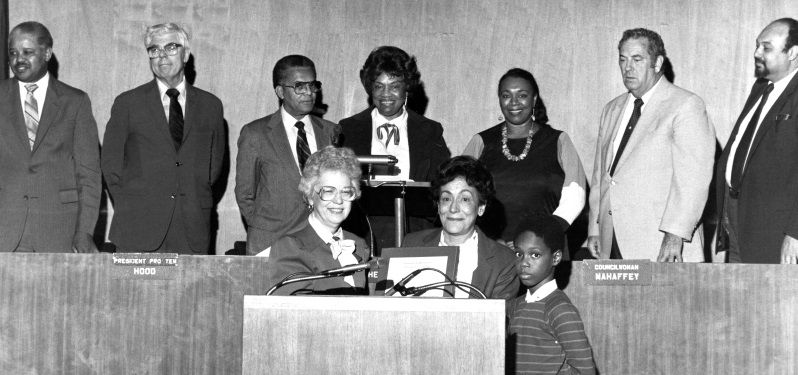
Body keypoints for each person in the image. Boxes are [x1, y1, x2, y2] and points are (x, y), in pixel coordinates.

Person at [587, 28, 715, 262]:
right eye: (623, 59)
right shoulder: (611, 109)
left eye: (637, 59)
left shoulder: (685, 105)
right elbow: (600, 176)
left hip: (660, 243)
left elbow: (693, 181)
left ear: (657, 63)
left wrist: (674, 235)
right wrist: (595, 227)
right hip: (611, 238)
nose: (628, 67)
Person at [102, 23, 225, 254]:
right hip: (138, 226)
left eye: (170, 47)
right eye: (154, 50)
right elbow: (111, 164)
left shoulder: (211, 106)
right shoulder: (127, 103)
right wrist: (132, 206)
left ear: (186, 54)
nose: (162, 56)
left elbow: (213, 167)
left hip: (191, 226)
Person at [0, 21, 101, 253]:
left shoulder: (75, 102)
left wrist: (84, 232)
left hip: (58, 231)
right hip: (5, 230)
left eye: (28, 52)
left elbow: (89, 176)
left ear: (47, 53)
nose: (19, 60)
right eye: (13, 53)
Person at [340, 46, 450, 250]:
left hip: (415, 231)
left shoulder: (430, 131)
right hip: (363, 232)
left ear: (407, 87)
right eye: (378, 86)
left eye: (394, 86)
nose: (386, 94)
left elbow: (441, 185)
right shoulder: (348, 129)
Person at [463, 68, 586, 248]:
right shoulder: (480, 142)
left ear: (534, 99)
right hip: (490, 248)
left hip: (545, 248)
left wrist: (541, 237)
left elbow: (575, 197)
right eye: (506, 96)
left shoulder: (559, 141)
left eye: (522, 95)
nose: (514, 102)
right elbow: (462, 195)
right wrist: (492, 242)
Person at [236, 55, 340, 255]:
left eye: (313, 85)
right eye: (299, 86)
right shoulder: (255, 134)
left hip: (319, 244)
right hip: (270, 243)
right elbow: (245, 194)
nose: (309, 93)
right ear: (280, 91)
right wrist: (265, 229)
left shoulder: (330, 132)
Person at [717, 18, 798, 264]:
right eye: (756, 46)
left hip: (775, 232)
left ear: (793, 53)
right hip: (737, 218)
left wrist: (795, 233)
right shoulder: (761, 88)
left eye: (766, 47)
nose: (756, 53)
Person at [402, 156, 519, 301]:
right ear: (438, 205)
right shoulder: (411, 244)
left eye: (465, 199)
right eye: (446, 198)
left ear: (481, 207)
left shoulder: (504, 261)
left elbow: (498, 320)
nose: (453, 208)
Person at [267, 146, 370, 295]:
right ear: (310, 196)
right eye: (328, 191)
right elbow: (293, 313)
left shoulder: (358, 244)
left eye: (346, 192)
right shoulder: (291, 246)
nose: (338, 200)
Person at [506, 214, 595, 375]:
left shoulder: (559, 308)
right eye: (519, 254)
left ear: (556, 257)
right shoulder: (514, 305)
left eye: (535, 255)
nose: (524, 263)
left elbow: (585, 370)